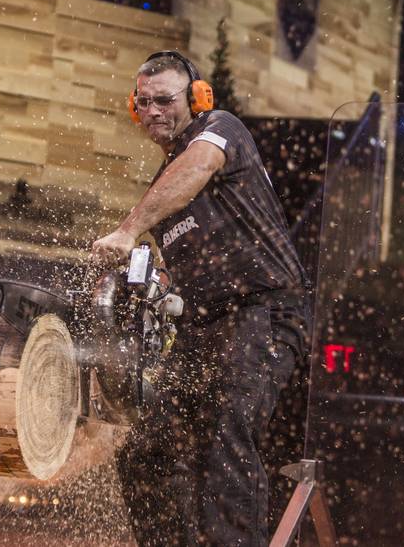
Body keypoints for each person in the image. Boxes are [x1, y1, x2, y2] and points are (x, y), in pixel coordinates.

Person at [90, 50, 310, 546]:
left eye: (164, 100)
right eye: (142, 103)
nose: (152, 112)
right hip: (205, 325)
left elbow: (198, 165)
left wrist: (128, 231)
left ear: (196, 97)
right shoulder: (164, 186)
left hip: (264, 310)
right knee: (149, 449)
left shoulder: (220, 130)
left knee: (224, 430)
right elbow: (180, 261)